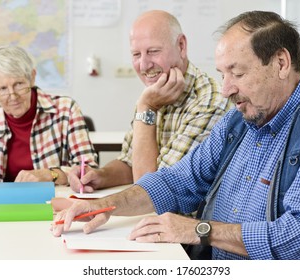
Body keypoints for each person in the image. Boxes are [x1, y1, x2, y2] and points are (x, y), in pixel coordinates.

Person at [52, 11, 300, 260]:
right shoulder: (239, 119)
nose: (226, 89)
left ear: (281, 63)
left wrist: (199, 230)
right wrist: (105, 205)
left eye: (237, 72)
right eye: (222, 74)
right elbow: (177, 181)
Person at [68, 10, 232, 192]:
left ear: (181, 46)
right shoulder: (155, 93)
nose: (144, 65)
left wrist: (146, 107)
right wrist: (100, 176)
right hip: (154, 215)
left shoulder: (209, 102)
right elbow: (131, 162)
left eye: (153, 52)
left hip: (188, 218)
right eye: (136, 55)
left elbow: (151, 189)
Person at [0, 45, 98, 184]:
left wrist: (52, 174)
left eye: (19, 84)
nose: (13, 96)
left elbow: (89, 170)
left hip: (53, 202)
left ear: (32, 77)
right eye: (2, 89)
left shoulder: (66, 110)